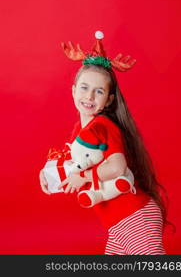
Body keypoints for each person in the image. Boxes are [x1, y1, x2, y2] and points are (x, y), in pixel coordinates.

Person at [39, 31, 167, 255]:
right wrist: (47, 174)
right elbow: (74, 167)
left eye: (98, 91)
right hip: (117, 225)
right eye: (84, 88)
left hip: (135, 218)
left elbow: (117, 167)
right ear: (73, 91)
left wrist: (84, 177)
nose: (89, 97)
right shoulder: (81, 132)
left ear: (108, 99)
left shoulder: (104, 126)